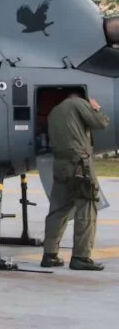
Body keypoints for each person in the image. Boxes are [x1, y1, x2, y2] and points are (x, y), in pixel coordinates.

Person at [41, 92, 110, 271]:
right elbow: (101, 123)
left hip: (60, 165)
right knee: (87, 207)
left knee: (58, 209)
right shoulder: (79, 103)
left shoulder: (54, 112)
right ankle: (81, 257)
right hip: (79, 164)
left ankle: (49, 255)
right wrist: (96, 108)